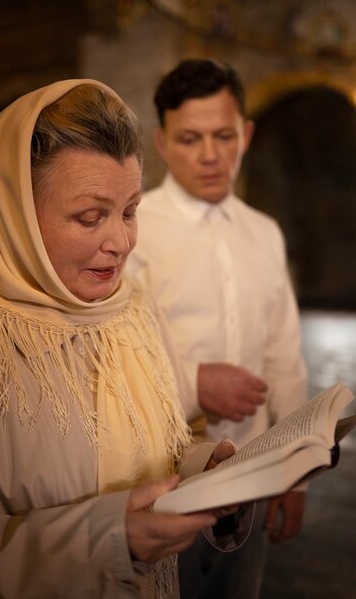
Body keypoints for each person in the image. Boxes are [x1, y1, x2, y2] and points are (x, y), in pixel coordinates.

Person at [0, 78, 253, 599]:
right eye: (90, 217)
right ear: (14, 213)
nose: (122, 242)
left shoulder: (134, 312)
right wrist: (113, 536)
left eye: (130, 211)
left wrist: (206, 473)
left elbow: (164, 450)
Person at [127, 59, 308, 599]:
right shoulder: (136, 230)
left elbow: (284, 356)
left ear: (245, 135)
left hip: (251, 473)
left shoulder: (264, 232)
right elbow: (114, 357)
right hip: (161, 479)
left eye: (223, 135)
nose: (209, 155)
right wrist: (193, 383)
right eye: (189, 138)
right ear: (161, 142)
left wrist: (293, 469)